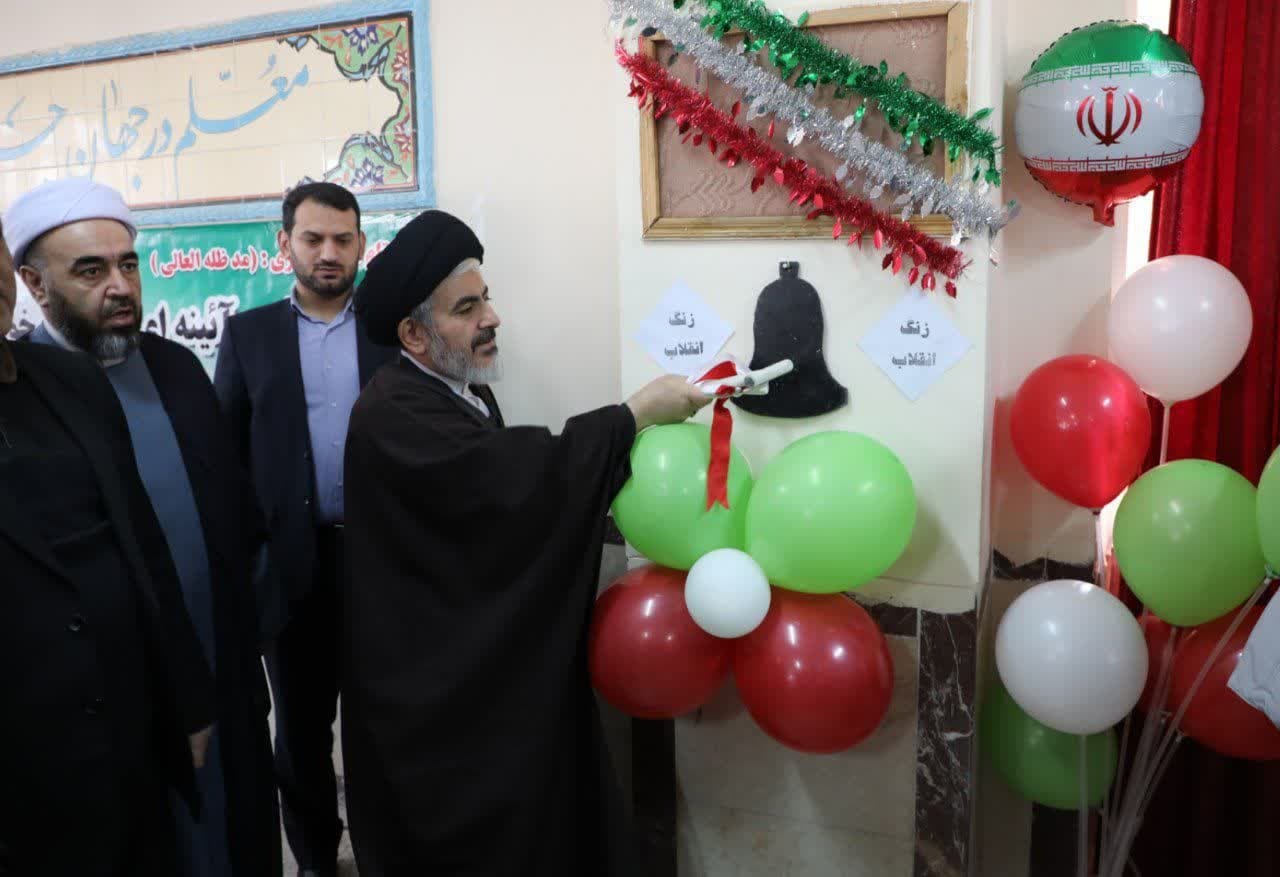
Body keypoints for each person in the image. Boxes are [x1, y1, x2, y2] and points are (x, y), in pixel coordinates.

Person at [340, 209, 711, 875]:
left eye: (485, 298)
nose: (492, 317)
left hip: (473, 689)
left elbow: (503, 508)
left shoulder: (462, 394)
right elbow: (510, 482)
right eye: (467, 308)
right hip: (429, 710)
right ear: (413, 334)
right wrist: (631, 417)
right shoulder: (391, 413)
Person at [5, 178, 280, 876]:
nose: (121, 286)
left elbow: (234, 515)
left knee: (237, 825)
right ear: (33, 283)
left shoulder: (178, 367)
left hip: (216, 660)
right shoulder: (32, 391)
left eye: (128, 264)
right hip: (110, 701)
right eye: (90, 270)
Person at [215, 181, 397, 877]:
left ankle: (386, 854)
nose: (328, 253)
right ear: (283, 242)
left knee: (385, 725)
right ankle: (318, 859)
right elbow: (224, 457)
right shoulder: (249, 335)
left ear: (361, 245)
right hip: (290, 569)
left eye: (342, 240)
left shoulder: (393, 330)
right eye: (313, 238)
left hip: (383, 564)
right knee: (299, 733)